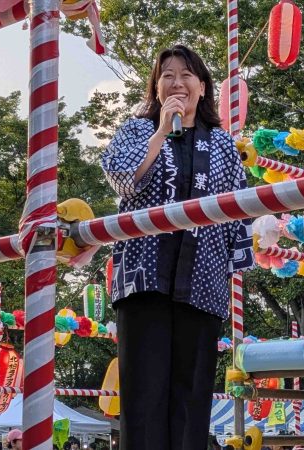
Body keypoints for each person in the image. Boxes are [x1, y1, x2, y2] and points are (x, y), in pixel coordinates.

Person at [101, 44, 254, 450]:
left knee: (191, 399)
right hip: (143, 280)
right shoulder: (137, 130)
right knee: (143, 397)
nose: (177, 83)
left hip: (203, 282)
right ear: (156, 87)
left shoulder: (223, 144)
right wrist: (160, 133)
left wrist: (234, 263)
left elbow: (239, 211)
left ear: (202, 87)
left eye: (186, 75)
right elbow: (122, 178)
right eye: (167, 75)